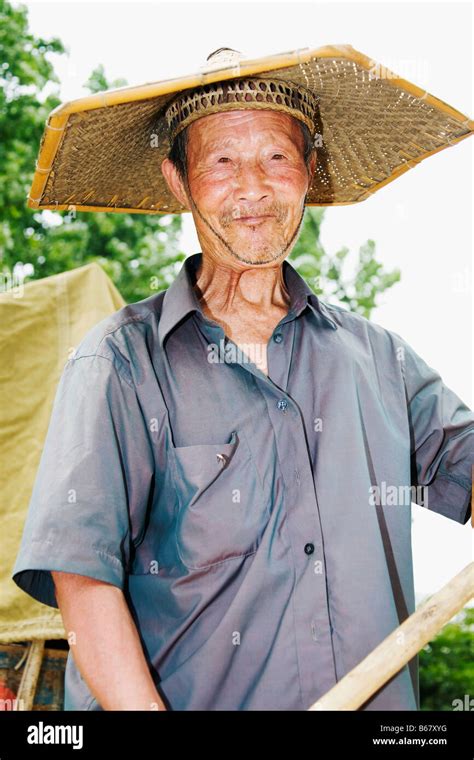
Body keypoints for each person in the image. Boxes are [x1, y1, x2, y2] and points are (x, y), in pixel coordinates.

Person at [12, 47, 473, 711]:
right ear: (179, 181)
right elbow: (82, 577)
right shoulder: (118, 362)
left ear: (308, 173)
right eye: (222, 161)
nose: (252, 186)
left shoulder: (378, 360)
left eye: (277, 157)